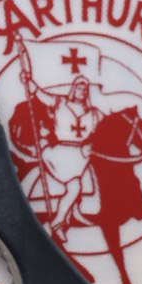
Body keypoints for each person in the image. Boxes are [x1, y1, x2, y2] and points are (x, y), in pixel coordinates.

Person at [20, 73, 103, 243]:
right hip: (58, 153)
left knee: (75, 187)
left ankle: (62, 220)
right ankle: (59, 222)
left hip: (80, 155)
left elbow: (108, 126)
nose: (82, 91)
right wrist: (28, 81)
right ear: (73, 89)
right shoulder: (60, 103)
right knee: (75, 186)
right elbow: (40, 94)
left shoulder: (94, 113)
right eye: (79, 87)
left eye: (85, 89)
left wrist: (92, 144)